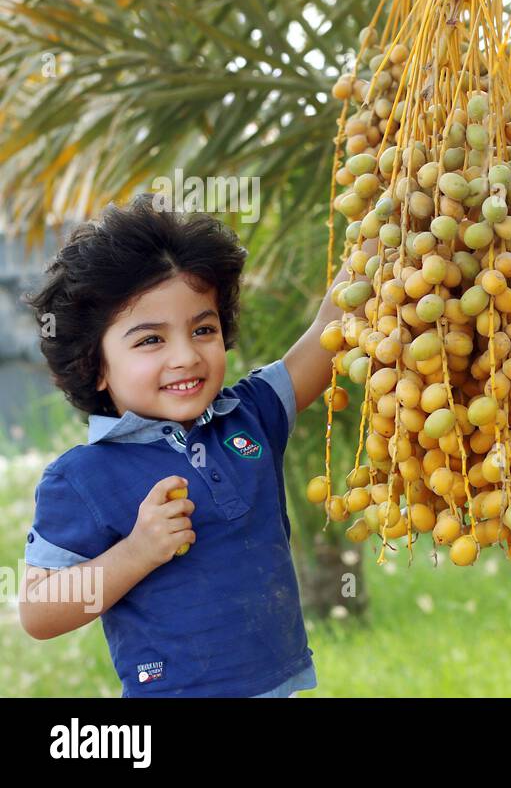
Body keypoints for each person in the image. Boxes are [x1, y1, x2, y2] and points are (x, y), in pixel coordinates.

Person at [17, 193, 351, 697]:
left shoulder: (250, 415)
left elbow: (331, 332)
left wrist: (381, 243)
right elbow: (39, 612)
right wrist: (138, 552)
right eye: (151, 340)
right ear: (96, 364)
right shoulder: (82, 476)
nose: (186, 356)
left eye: (203, 329)